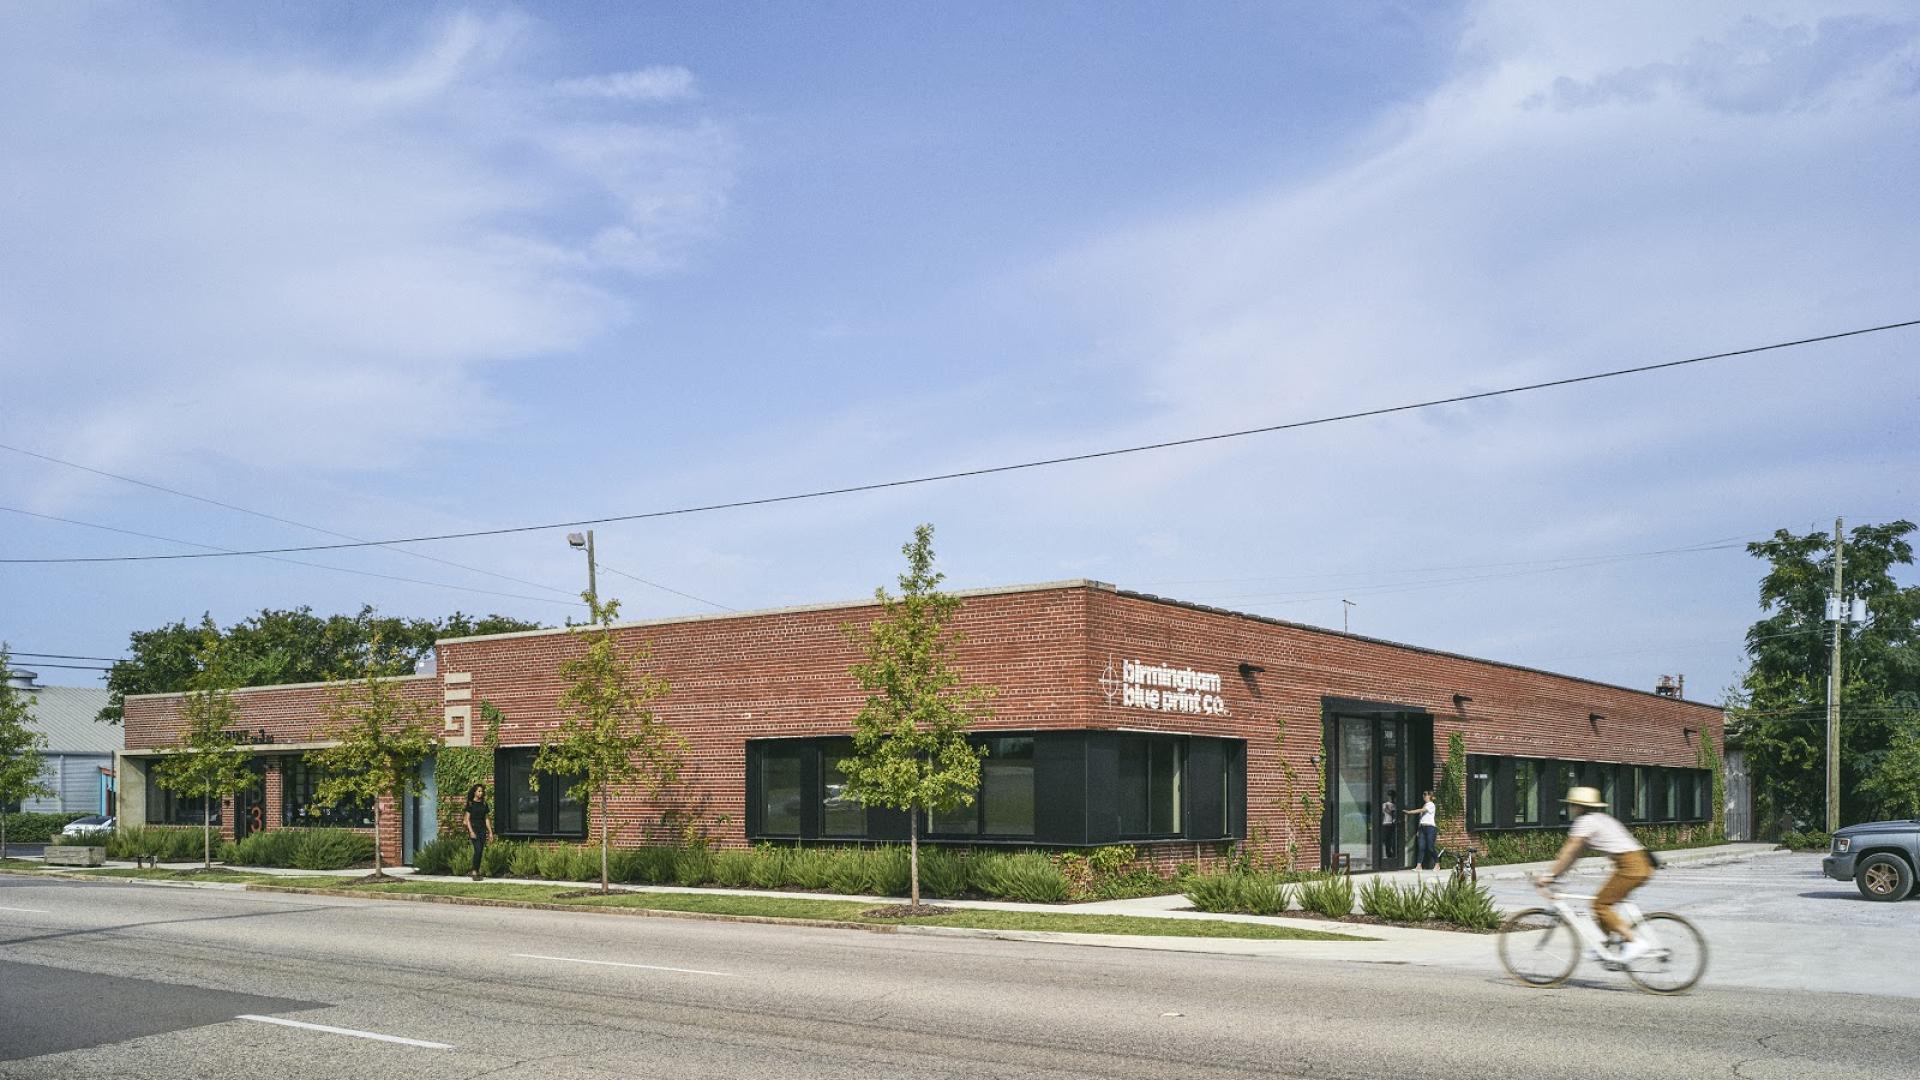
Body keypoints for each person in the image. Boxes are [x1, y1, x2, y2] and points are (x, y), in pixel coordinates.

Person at [1538, 785, 1654, 963]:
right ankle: (1605, 945)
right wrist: (1557, 875)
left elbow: (1569, 851)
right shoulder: (1602, 818)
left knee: (1600, 905)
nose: (1571, 809)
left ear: (1579, 806)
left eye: (1572, 805)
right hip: (1642, 863)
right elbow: (1575, 856)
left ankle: (1634, 941)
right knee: (1602, 904)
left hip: (1631, 866)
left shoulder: (1585, 822)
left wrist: (1549, 876)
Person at [464, 784, 490, 881]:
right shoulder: (470, 804)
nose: (481, 793)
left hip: (482, 830)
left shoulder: (484, 804)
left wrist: (490, 832)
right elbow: (467, 819)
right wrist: (471, 831)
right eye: (479, 791)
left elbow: (487, 819)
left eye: (482, 791)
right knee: (478, 850)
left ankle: (476, 871)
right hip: (473, 829)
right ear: (474, 792)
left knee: (480, 851)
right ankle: (474, 871)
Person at [1414, 790, 1438, 871]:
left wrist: (1410, 812)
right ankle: (1418, 866)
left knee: (1430, 847)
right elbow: (1421, 819)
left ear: (1429, 796)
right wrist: (1418, 830)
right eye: (1423, 794)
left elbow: (1421, 811)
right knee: (1421, 847)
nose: (1423, 796)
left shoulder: (1431, 805)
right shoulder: (1424, 805)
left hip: (1430, 828)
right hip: (1422, 828)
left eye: (1425, 794)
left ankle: (1437, 864)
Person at [1380, 789, 1400, 868]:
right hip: (1385, 824)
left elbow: (1394, 814)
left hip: (1392, 824)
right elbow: (1385, 812)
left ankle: (1394, 856)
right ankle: (1389, 855)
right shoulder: (1384, 804)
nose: (1391, 797)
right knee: (1386, 841)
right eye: (1389, 796)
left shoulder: (1395, 805)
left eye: (1392, 796)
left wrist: (1390, 811)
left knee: (1393, 841)